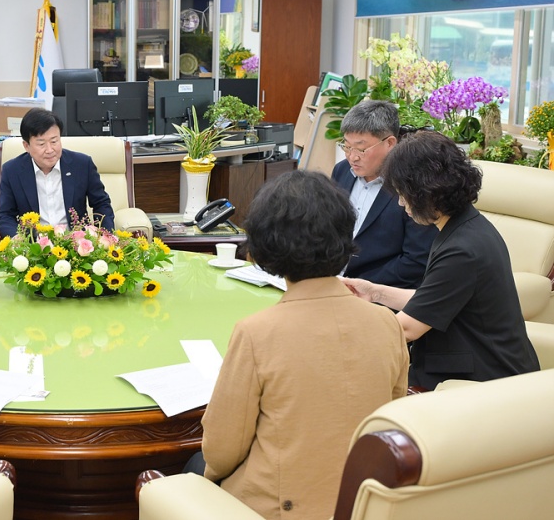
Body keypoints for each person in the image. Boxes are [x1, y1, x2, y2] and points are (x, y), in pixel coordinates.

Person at [192, 170, 409, 520]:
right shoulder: (385, 322)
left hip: (281, 505)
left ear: (265, 244)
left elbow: (221, 450)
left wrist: (211, 477)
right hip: (366, 500)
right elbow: (394, 417)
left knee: (193, 465)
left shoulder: (257, 332)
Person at [342, 131, 540, 390]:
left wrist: (341, 334)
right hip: (468, 365)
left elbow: (407, 328)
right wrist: (375, 292)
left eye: (404, 195)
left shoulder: (462, 250)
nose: (401, 204)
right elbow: (430, 301)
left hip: (481, 380)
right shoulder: (467, 227)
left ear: (428, 192)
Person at [331, 100, 436, 288]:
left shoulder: (412, 186)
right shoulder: (341, 171)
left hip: (381, 293)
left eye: (361, 149)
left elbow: (415, 262)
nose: (352, 157)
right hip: (331, 281)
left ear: (390, 143)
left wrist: (357, 285)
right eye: (347, 146)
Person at [0, 108, 115, 238]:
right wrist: (17, 240)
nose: (50, 150)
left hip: (77, 246)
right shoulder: (12, 171)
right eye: (41, 144)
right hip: (33, 249)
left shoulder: (82, 164)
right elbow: (5, 215)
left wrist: (105, 236)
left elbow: (101, 204)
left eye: (54, 141)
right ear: (26, 146)